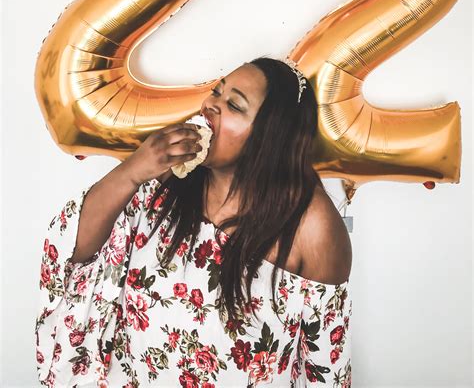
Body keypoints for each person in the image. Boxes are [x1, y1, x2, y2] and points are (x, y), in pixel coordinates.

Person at [36, 56, 352, 387]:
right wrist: (133, 170)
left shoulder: (314, 228)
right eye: (216, 92)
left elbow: (325, 371)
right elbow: (73, 253)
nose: (210, 106)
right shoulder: (165, 183)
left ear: (271, 137)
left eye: (234, 105)